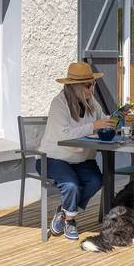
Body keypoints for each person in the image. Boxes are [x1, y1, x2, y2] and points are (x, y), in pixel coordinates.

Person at [37, 62, 115, 240]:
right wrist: (94, 126)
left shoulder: (91, 102)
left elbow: (102, 120)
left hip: (81, 158)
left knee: (96, 181)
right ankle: (71, 220)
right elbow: (64, 135)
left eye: (93, 84)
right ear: (75, 86)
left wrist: (114, 120)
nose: (92, 88)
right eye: (88, 85)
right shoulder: (59, 104)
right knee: (71, 185)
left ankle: (64, 213)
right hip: (54, 157)